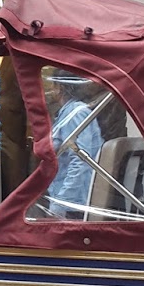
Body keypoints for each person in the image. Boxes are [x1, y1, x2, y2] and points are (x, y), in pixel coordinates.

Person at [42, 68, 103, 219]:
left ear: (60, 87)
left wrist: (61, 203)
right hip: (67, 198)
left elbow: (81, 160)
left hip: (73, 203)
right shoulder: (67, 113)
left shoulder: (75, 113)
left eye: (53, 85)